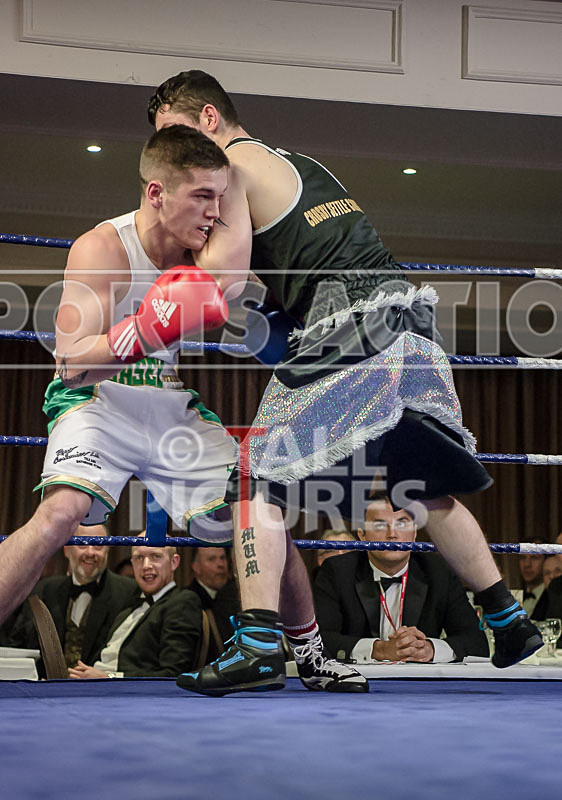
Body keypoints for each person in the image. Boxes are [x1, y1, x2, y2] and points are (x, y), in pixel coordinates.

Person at [149, 70, 542, 696]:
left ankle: (255, 644)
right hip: (407, 320)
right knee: (426, 484)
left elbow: (222, 280)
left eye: (174, 138)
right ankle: (506, 617)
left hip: (348, 324)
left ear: (208, 120)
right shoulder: (294, 162)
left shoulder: (233, 165)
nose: (176, 167)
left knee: (258, 482)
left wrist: (168, 247)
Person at [0, 125, 238, 630]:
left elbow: (246, 291)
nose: (215, 212)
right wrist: (145, 331)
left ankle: (304, 650)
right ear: (157, 193)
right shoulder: (104, 248)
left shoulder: (210, 249)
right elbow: (72, 362)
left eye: (219, 197)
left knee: (255, 508)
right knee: (61, 512)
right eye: (201, 196)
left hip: (167, 400)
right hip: (97, 399)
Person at [314, 497, 488, 663]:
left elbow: (476, 642)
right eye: (380, 524)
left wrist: (430, 649)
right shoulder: (337, 571)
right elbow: (317, 641)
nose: (392, 534)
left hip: (421, 686)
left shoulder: (439, 570)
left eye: (402, 523)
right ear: (362, 535)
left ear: (414, 534)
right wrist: (378, 650)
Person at [8, 524, 138, 674]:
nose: (90, 552)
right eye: (82, 544)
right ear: (67, 550)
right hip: (46, 690)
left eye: (98, 546)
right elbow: (20, 644)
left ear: (107, 551)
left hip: (101, 691)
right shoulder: (43, 590)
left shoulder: (129, 592)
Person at [69, 541, 201, 678]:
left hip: (126, 695)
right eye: (139, 558)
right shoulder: (129, 606)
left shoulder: (183, 602)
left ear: (174, 562)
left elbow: (172, 674)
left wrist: (108, 678)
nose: (146, 566)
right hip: (90, 686)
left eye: (155, 556)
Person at [189, 546, 240, 656]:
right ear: (196, 567)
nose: (220, 564)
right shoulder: (189, 600)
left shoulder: (238, 594)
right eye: (212, 559)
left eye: (222, 558)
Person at [519, 541, 547, 620]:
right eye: (523, 558)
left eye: (534, 558)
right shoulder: (515, 598)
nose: (527, 564)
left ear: (546, 561)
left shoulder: (553, 598)